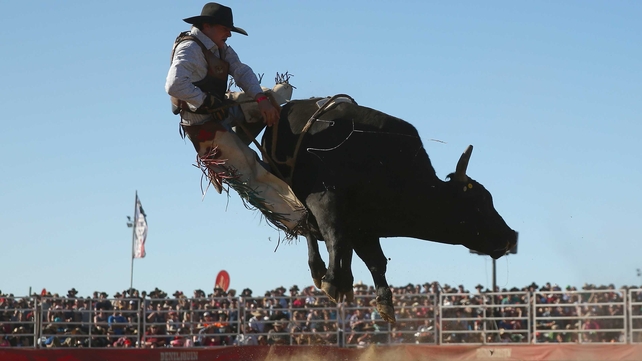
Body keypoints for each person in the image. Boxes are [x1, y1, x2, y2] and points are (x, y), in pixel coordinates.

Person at [165, 3, 306, 235]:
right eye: (225, 28)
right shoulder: (189, 48)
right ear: (207, 26)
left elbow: (241, 71)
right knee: (250, 170)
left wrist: (261, 99)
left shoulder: (220, 47)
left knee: (270, 101)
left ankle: (236, 147)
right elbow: (173, 85)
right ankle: (299, 220)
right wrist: (206, 102)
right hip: (202, 125)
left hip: (222, 107)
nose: (229, 34)